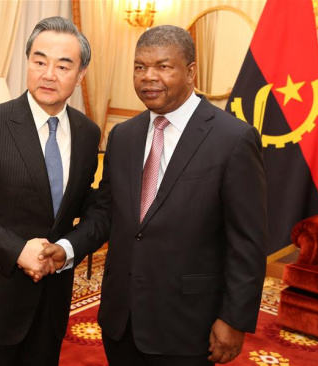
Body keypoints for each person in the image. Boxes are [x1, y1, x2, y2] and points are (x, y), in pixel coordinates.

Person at [41, 25, 268, 365]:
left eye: (163, 66)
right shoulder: (123, 136)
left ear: (191, 72)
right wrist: (67, 248)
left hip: (188, 324)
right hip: (122, 319)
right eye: (139, 66)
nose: (148, 77)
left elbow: (248, 241)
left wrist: (234, 319)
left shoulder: (233, 139)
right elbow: (106, 212)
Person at [0, 16, 100, 366]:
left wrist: (68, 248)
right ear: (27, 63)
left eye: (63, 65)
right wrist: (17, 251)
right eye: (39, 61)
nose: (48, 74)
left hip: (52, 301)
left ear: (81, 74)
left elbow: (82, 203)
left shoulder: (88, 133)